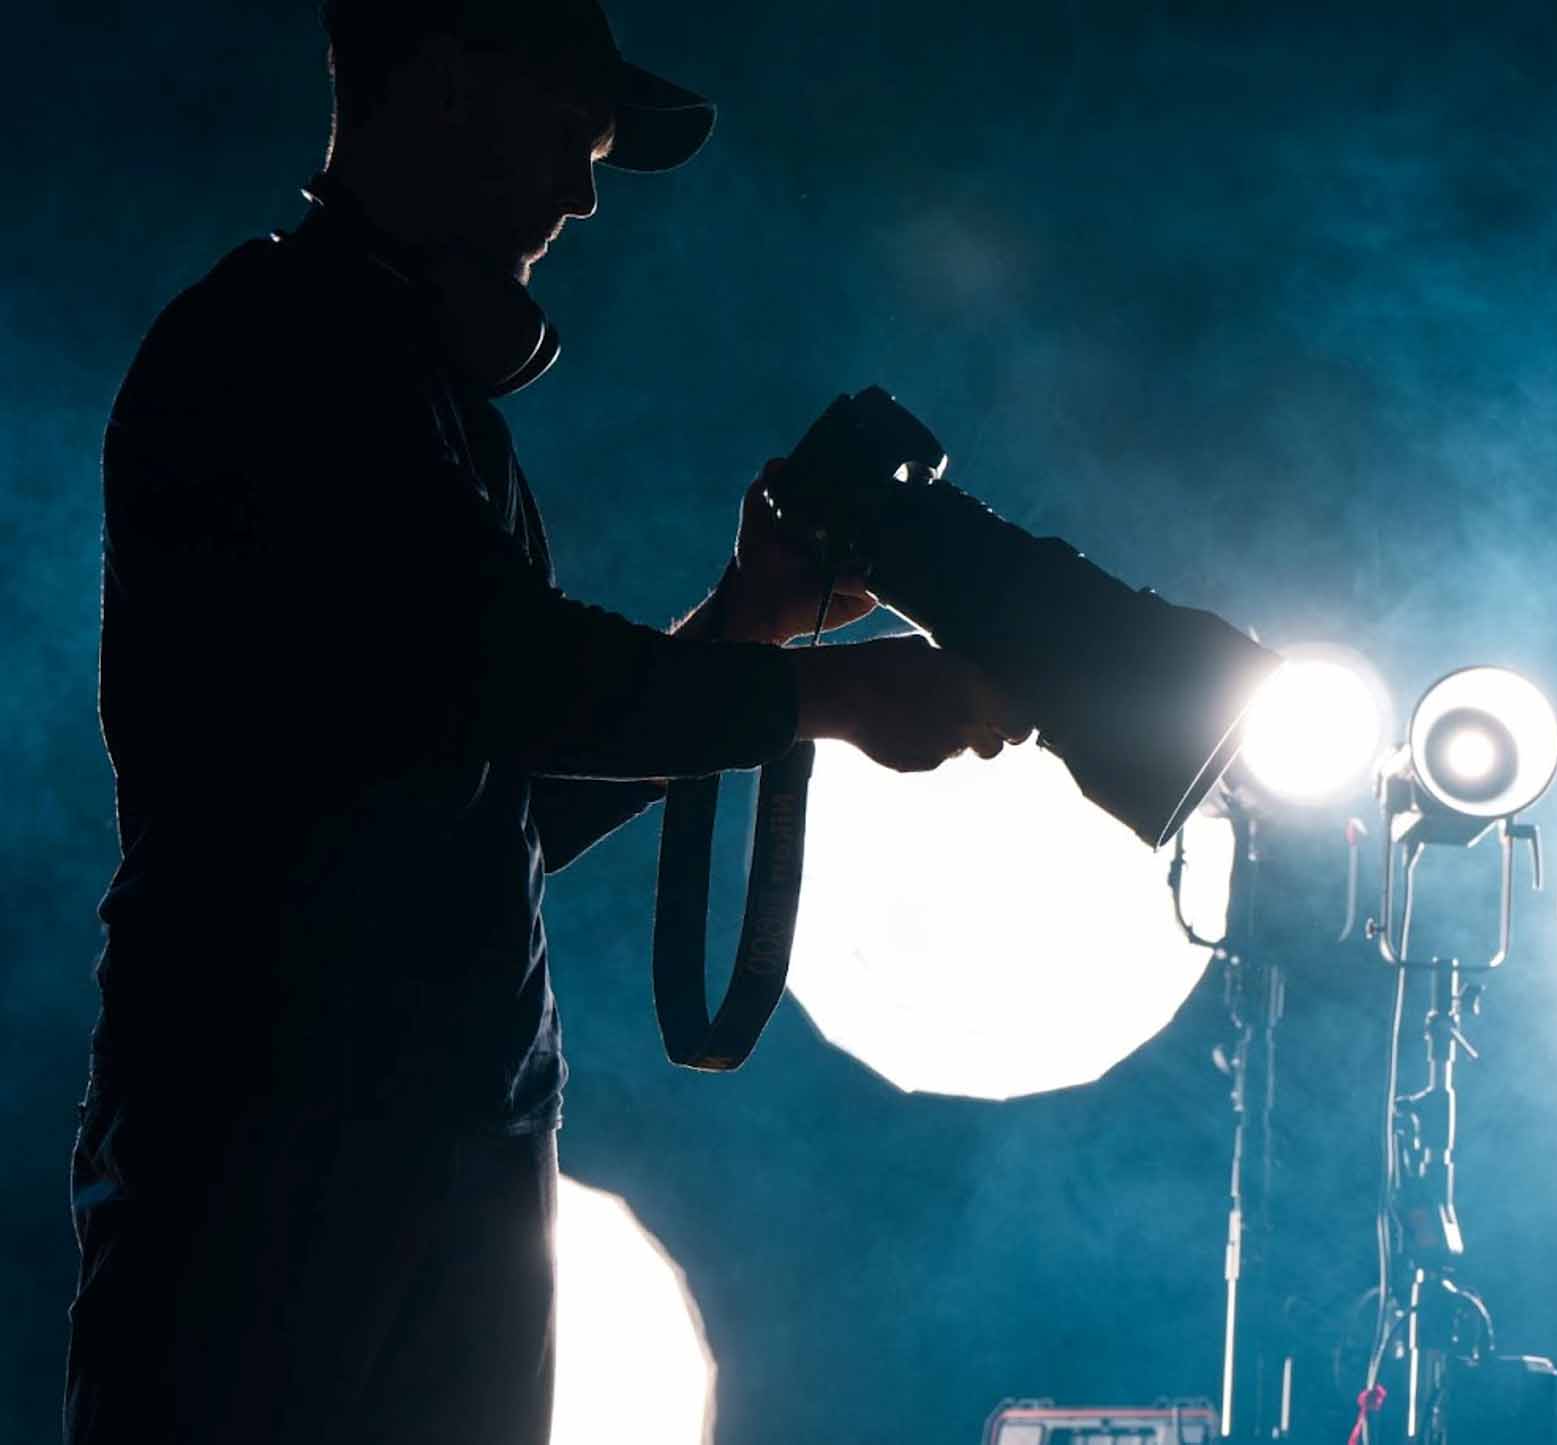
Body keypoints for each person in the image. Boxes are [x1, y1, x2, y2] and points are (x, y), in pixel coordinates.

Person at [67, 2, 1019, 1440]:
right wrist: (828, 693)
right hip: (269, 1163)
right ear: (449, 83)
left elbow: (484, 781)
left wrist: (745, 631)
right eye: (572, 143)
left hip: (436, 1173)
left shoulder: (427, 403)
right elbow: (488, 673)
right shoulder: (273, 353)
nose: (582, 197)